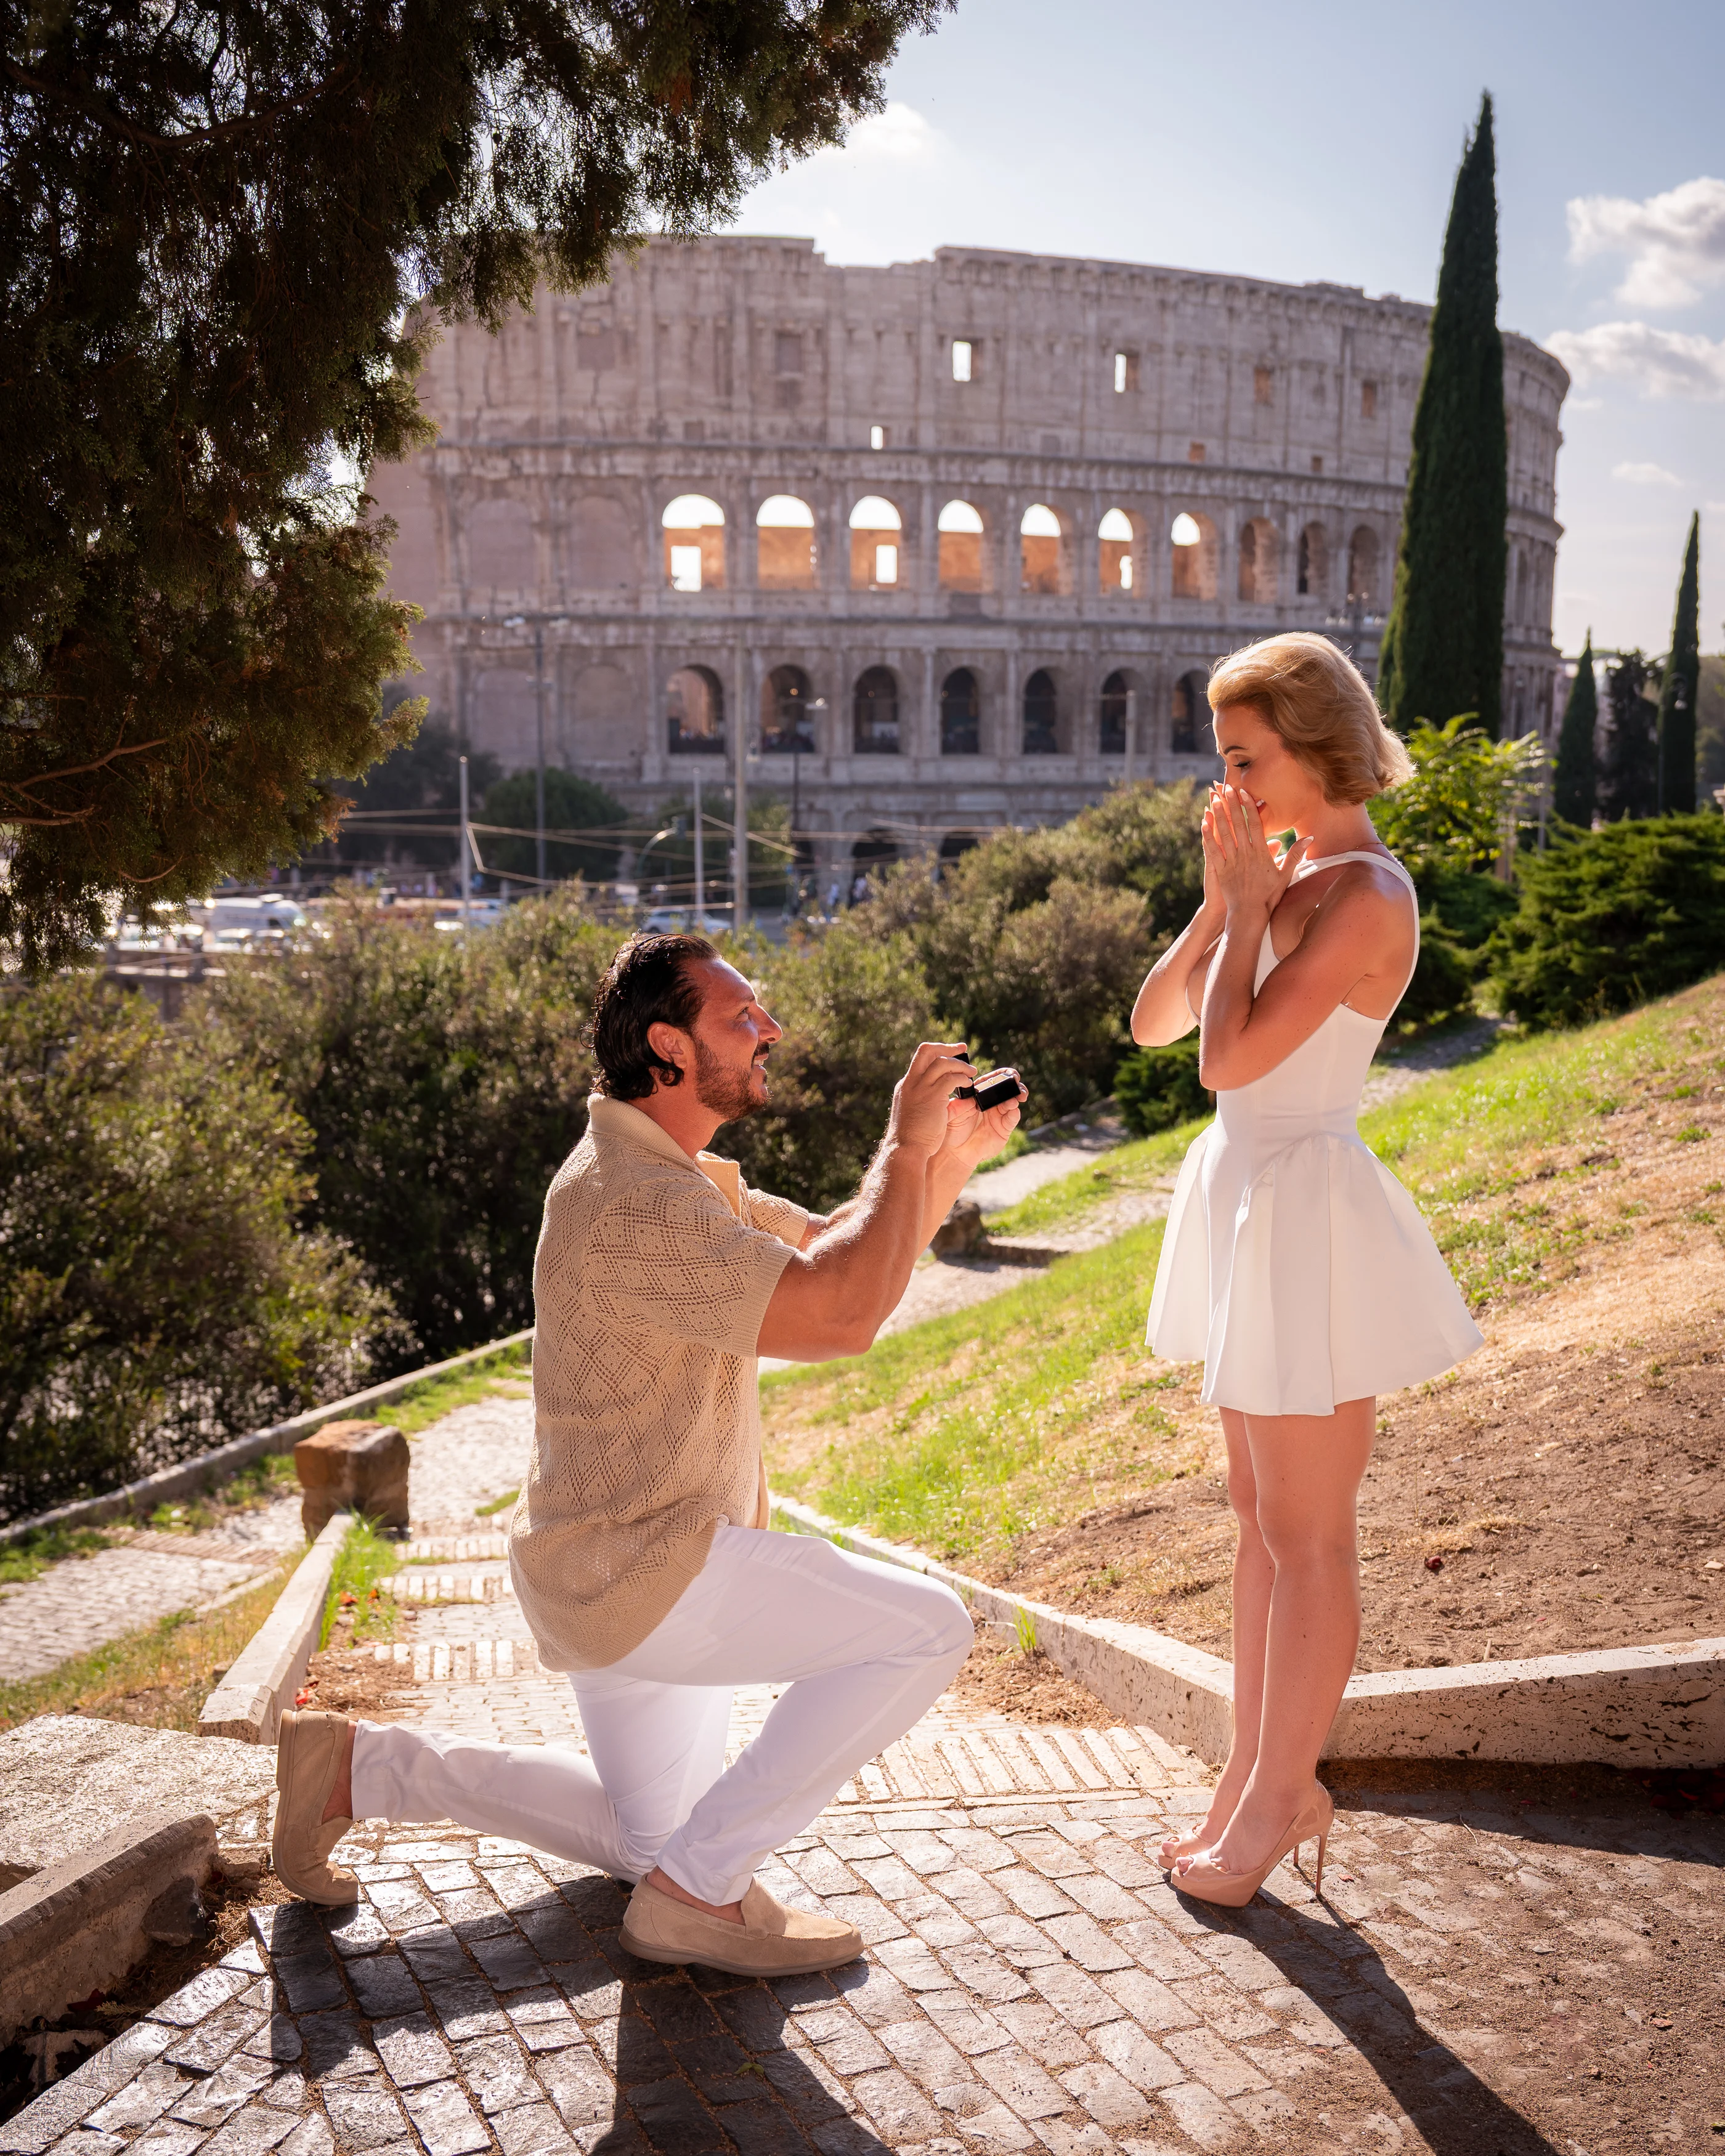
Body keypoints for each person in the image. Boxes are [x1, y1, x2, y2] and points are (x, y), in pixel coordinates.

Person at [272, 934, 1023, 1976]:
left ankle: (359, 1770)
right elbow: (842, 1314)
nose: (770, 1031)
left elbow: (843, 1249)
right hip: (652, 1569)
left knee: (643, 1841)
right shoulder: (638, 1204)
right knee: (926, 1631)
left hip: (609, 1572)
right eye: (741, 1017)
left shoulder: (675, 1179)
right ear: (669, 1047)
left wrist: (944, 1159)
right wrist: (904, 1145)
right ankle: (698, 1896)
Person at [1130, 633, 1482, 1909]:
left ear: (1316, 746)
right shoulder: (1278, 868)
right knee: (1254, 1521)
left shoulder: (1365, 895)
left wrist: (1240, 911)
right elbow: (1154, 1021)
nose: (1225, 783)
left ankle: (1284, 1796)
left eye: (1243, 757)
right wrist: (1225, 901)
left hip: (1305, 1206)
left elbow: (1229, 1059)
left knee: (1307, 1531)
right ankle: (1250, 1776)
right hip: (1243, 1197)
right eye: (1219, 757)